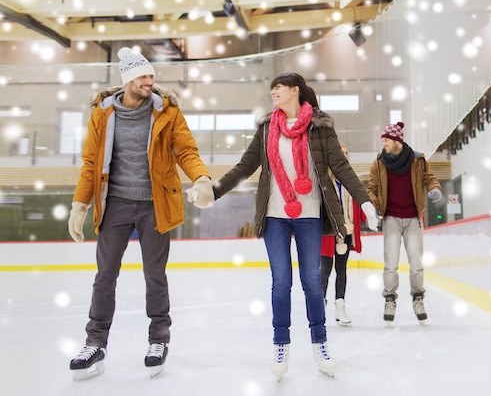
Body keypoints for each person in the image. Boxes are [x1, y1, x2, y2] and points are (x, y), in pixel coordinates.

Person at [212, 73, 378, 381]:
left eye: (278, 87)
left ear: (294, 91)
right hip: (275, 215)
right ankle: (281, 344)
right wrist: (214, 190)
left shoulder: (320, 127)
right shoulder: (266, 129)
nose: (273, 91)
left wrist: (364, 201)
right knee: (281, 282)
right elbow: (245, 166)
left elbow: (340, 166)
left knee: (312, 282)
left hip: (310, 214)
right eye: (271, 87)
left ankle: (320, 342)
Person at [67, 47, 215, 380]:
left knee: (155, 276)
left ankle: (158, 340)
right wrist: (80, 204)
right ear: (128, 80)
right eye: (143, 76)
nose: (150, 81)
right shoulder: (102, 113)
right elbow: (91, 163)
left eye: (151, 75)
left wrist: (202, 179)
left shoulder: (167, 112)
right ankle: (95, 343)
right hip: (115, 204)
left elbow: (186, 150)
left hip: (155, 205)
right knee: (104, 277)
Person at [367, 121, 442, 323]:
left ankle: (418, 298)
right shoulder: (379, 163)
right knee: (390, 263)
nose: (383, 144)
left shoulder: (418, 160)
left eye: (386, 140)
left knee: (416, 264)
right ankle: (390, 299)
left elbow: (429, 178)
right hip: (391, 218)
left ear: (397, 140)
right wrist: (374, 206)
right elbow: (371, 188)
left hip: (413, 219)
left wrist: (434, 188)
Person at [320, 144, 365, 326]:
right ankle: (319, 305)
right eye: (341, 153)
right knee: (324, 270)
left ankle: (340, 306)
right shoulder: (324, 180)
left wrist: (368, 215)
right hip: (327, 232)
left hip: (346, 231)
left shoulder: (351, 180)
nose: (344, 156)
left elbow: (360, 200)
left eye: (347, 153)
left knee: (341, 270)